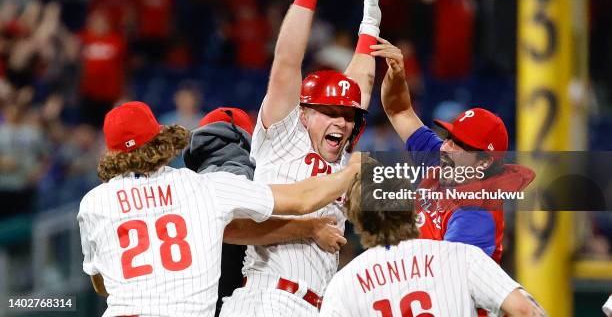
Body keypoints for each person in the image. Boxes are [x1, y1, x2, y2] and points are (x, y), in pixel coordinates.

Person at [219, 0, 383, 316]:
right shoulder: (284, 134)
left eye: (346, 117)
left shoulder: (343, 159)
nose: (341, 123)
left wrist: (369, 28)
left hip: (315, 304)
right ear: (306, 113)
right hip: (269, 297)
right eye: (329, 113)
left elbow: (358, 84)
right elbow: (287, 61)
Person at [77, 101, 361, 317]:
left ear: (111, 152)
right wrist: (352, 173)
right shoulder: (202, 187)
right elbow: (302, 200)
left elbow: (101, 285)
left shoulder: (93, 203)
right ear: (160, 140)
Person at [375, 40, 534, 263]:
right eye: (449, 137)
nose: (447, 147)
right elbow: (399, 110)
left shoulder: (476, 212)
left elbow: (445, 279)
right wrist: (397, 74)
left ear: (484, 162)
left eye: (460, 144)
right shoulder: (442, 160)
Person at [319, 165, 547, 316]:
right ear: (412, 205)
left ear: (357, 219)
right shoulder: (461, 256)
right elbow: (525, 311)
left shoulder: (343, 284)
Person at [183, 107, 347, 316]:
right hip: (255, 300)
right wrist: (311, 228)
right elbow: (232, 228)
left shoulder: (184, 183)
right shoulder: (238, 171)